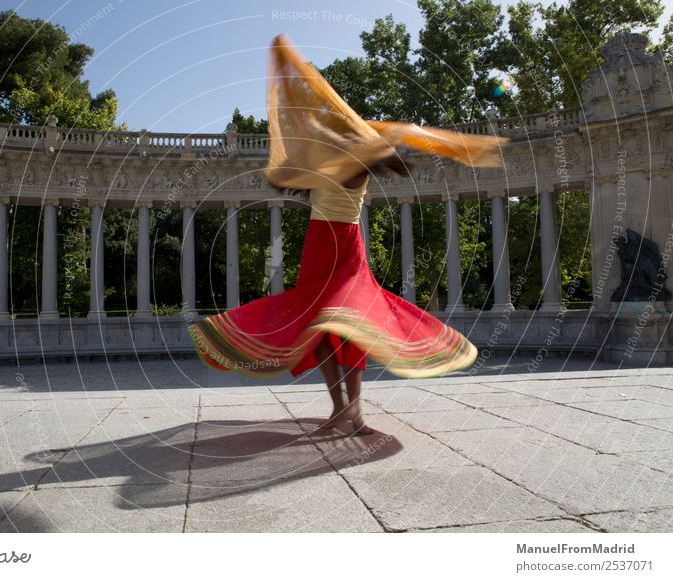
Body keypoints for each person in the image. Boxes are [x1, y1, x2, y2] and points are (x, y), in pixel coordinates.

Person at [188, 35, 507, 435]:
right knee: (318, 328)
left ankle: (352, 411)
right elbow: (288, 176)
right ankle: (341, 409)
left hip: (344, 246)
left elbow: (388, 163)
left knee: (355, 328)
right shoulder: (328, 163)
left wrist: (391, 137)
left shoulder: (359, 162)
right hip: (323, 245)